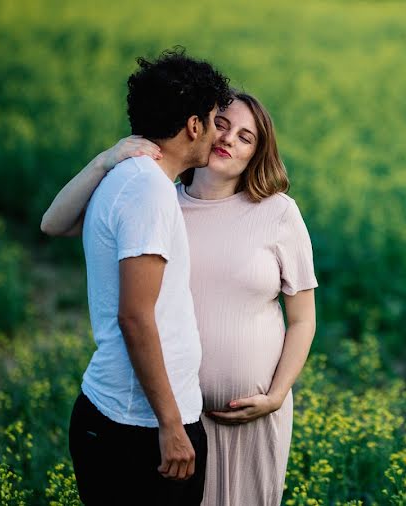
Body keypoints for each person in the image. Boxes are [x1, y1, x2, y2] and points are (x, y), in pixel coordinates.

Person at [42, 89, 318, 506]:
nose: (228, 139)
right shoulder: (155, 201)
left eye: (246, 137)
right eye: (222, 125)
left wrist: (276, 396)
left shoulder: (278, 213)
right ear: (199, 128)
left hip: (254, 415)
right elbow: (54, 222)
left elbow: (302, 319)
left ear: (257, 154)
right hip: (175, 418)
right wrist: (106, 158)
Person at [46, 48, 233, 505]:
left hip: (128, 415)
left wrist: (102, 160)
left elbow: (53, 224)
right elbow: (135, 316)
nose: (217, 133)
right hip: (140, 426)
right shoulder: (147, 190)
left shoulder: (132, 176)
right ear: (193, 125)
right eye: (214, 120)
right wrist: (171, 426)